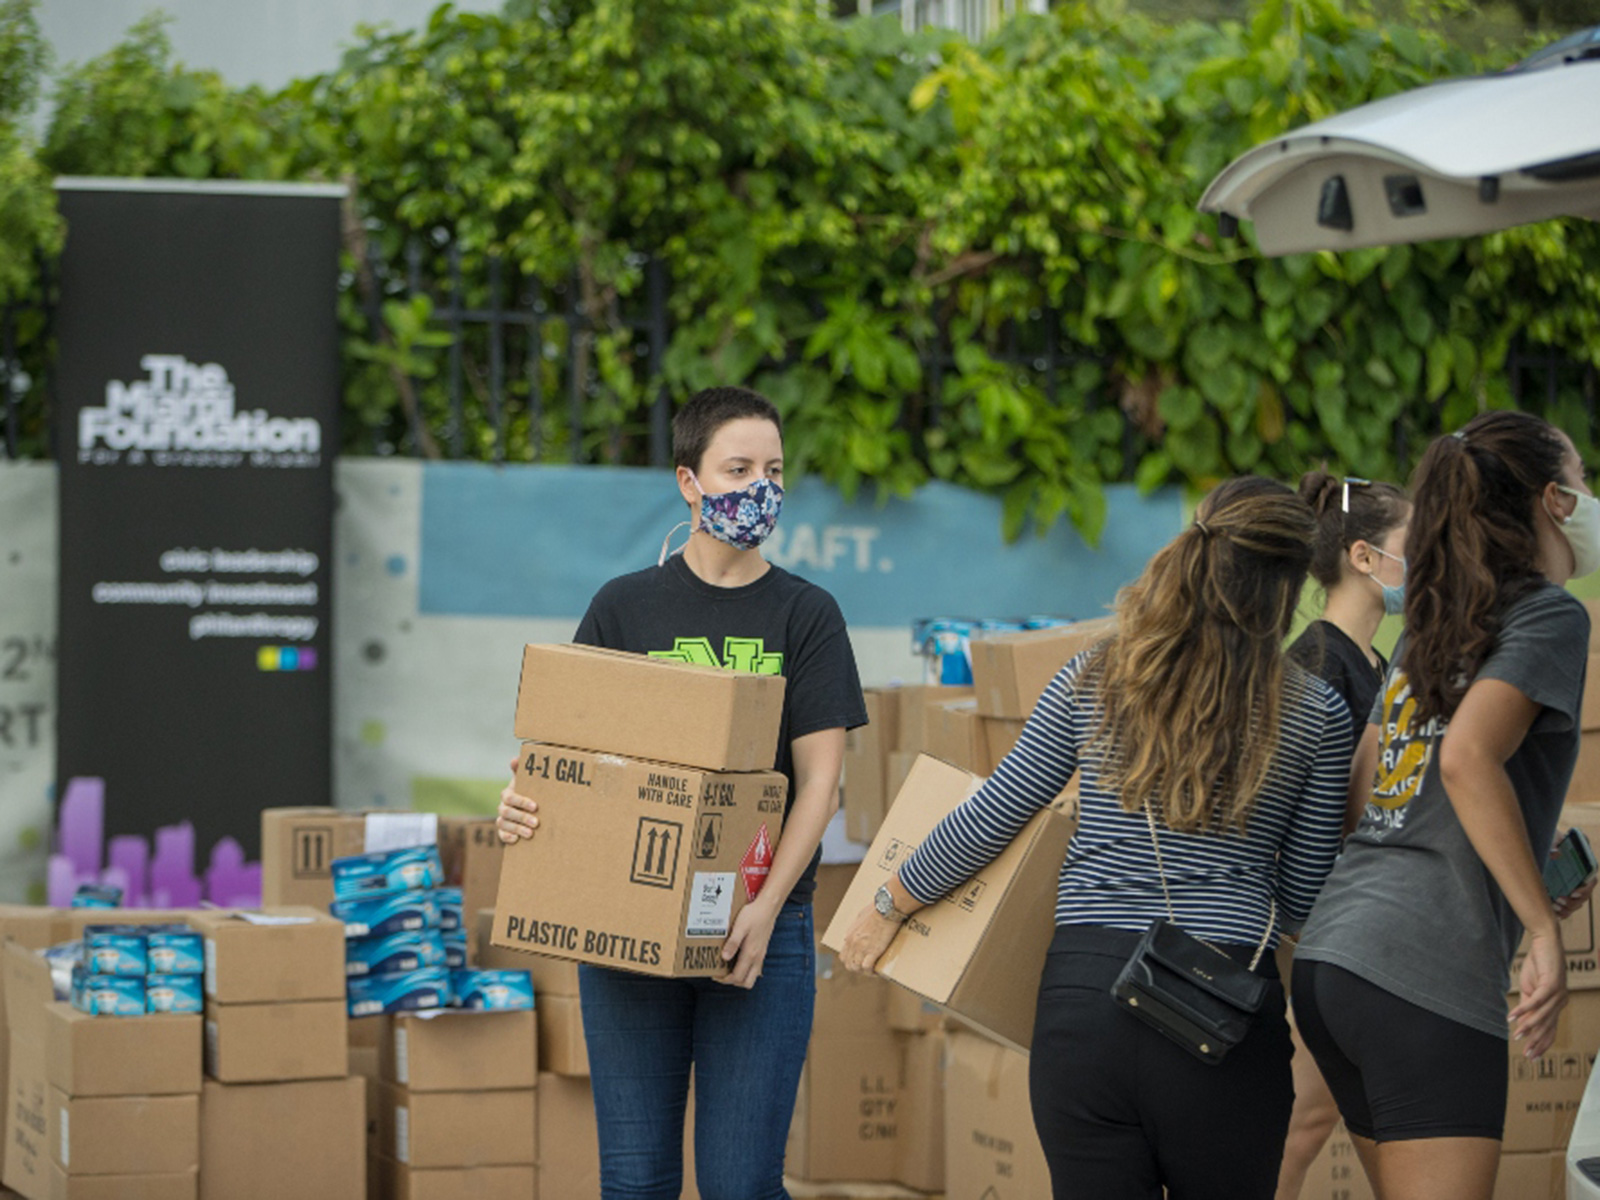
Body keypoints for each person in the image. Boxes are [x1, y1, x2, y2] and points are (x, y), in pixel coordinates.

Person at [839, 476, 1352, 1200]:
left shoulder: (1098, 677)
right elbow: (1302, 900)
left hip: (1087, 1005)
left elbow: (994, 814)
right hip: (1223, 1010)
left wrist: (887, 904)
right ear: (1290, 586)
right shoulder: (1317, 715)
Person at [496, 385, 868, 1200]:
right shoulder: (625, 607)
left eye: (773, 469)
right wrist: (521, 801)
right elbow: (565, 760)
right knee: (635, 1181)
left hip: (758, 936)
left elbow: (822, 784)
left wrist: (766, 910)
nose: (759, 488)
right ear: (688, 482)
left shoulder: (807, 616)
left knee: (741, 1185)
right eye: (738, 469)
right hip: (630, 929)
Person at [1292, 411, 1598, 1200]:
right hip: (1423, 973)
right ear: (1552, 501)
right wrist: (1536, 924)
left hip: (1335, 960)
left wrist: (1516, 872)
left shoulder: (1430, 622)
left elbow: (1369, 787)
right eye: (1582, 479)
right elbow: (1465, 759)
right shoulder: (1548, 616)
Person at [1275, 471, 1410, 1200]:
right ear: (1363, 557)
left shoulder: (1372, 663)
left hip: (1356, 933)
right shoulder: (1318, 668)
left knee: (1326, 1118)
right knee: (1310, 1120)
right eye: (1411, 546)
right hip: (1323, 937)